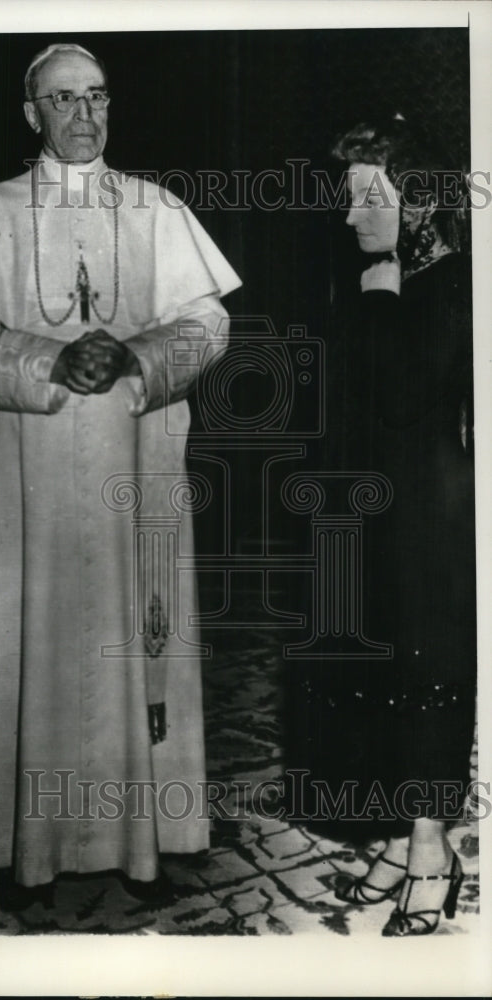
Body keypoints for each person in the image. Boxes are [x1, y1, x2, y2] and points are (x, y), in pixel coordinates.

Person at [0, 43, 241, 900]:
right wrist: (49, 363)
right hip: (34, 476)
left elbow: (208, 325)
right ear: (33, 115)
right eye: (65, 102)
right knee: (38, 638)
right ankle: (28, 845)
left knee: (138, 637)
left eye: (98, 98)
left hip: (137, 467)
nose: (86, 116)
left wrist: (136, 351)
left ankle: (148, 840)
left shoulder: (154, 207)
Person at [294, 117, 475, 936]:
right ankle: (402, 836)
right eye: (348, 196)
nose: (350, 214)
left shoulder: (457, 285)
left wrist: (380, 300)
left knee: (427, 667)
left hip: (434, 512)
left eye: (370, 198)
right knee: (375, 669)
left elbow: (412, 399)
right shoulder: (375, 276)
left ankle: (433, 846)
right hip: (367, 508)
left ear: (420, 202)